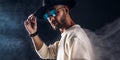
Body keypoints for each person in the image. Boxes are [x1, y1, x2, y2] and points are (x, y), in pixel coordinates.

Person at [24, 0, 94, 60]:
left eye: (53, 12)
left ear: (66, 10)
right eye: (47, 16)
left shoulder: (76, 37)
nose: (51, 18)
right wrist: (33, 33)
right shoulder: (66, 36)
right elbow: (46, 53)